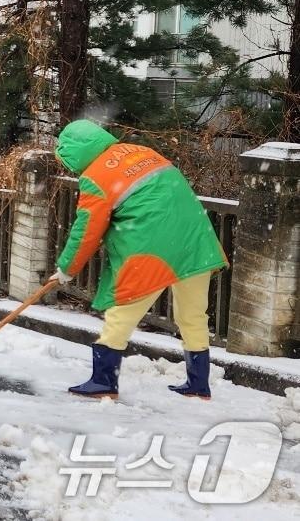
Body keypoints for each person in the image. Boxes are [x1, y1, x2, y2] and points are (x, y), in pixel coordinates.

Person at [51, 120, 227, 400]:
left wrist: (66, 269)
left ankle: (103, 381)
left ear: (74, 152)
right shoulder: (142, 152)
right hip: (195, 241)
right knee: (193, 315)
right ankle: (198, 384)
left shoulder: (96, 176)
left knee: (121, 315)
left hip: (151, 250)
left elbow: (87, 230)